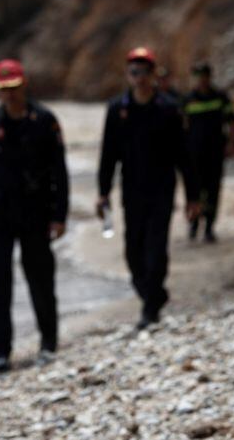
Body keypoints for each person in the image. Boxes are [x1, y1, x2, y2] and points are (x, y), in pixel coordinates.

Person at [0, 58, 69, 373]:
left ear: (24, 84)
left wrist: (59, 214)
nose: (9, 95)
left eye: (13, 88)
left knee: (40, 280)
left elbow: (59, 172)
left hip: (35, 213)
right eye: (2, 89)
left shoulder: (44, 120)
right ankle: (0, 352)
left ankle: (49, 343)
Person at [97, 47, 201, 329]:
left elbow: (183, 155)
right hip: (131, 190)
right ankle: (155, 295)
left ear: (153, 74)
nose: (139, 77)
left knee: (156, 249)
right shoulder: (117, 110)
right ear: (127, 75)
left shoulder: (168, 109)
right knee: (133, 251)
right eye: (134, 71)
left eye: (144, 71)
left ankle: (149, 308)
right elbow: (108, 154)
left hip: (161, 190)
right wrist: (103, 192)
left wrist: (193, 197)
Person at [180, 62, 234, 242]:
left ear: (209, 77)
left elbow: (232, 123)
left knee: (212, 189)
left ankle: (209, 227)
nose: (201, 80)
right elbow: (180, 126)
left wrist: (231, 143)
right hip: (193, 154)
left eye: (204, 76)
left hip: (215, 152)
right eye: (198, 76)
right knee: (194, 189)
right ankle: (194, 224)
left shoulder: (220, 97)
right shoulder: (188, 99)